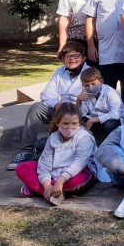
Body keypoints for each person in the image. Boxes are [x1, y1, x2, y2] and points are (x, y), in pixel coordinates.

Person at [7, 41, 90, 170]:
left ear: (83, 57)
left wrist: (72, 106)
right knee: (37, 108)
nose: (72, 59)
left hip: (80, 113)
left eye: (76, 56)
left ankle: (42, 144)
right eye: (68, 56)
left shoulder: (89, 73)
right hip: (60, 110)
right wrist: (57, 104)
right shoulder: (59, 72)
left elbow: (89, 100)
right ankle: (26, 151)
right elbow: (47, 93)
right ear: (62, 59)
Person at [16, 102, 96, 205]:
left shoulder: (84, 137)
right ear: (58, 123)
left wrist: (60, 181)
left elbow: (79, 163)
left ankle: (36, 188)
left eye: (74, 123)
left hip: (77, 172)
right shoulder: (53, 137)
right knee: (22, 168)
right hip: (54, 173)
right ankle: (52, 193)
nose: (70, 127)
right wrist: (46, 185)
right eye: (66, 123)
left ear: (79, 123)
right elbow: (45, 162)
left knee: (76, 181)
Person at [82, 0, 124, 110]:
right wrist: (91, 46)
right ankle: (108, 119)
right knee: (107, 89)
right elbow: (89, 20)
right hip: (106, 52)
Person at [76, 67, 124, 144]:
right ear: (83, 85)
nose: (90, 87)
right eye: (87, 85)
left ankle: (114, 142)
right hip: (97, 121)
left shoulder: (110, 93)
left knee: (109, 125)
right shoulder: (85, 93)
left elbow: (115, 114)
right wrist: (78, 101)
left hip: (114, 121)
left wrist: (92, 120)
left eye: (93, 84)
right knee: (79, 120)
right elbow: (82, 114)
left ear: (101, 82)